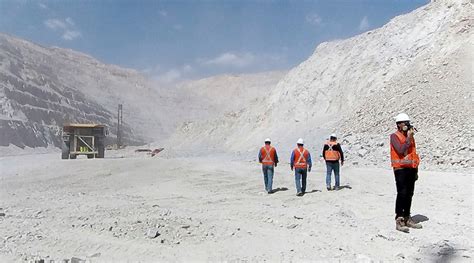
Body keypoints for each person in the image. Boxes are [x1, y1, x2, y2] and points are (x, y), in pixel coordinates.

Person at [390, 113, 422, 233]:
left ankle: (407, 217)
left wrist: (416, 170)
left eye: (407, 122)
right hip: (400, 169)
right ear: (398, 124)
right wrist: (409, 138)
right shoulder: (394, 136)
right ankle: (399, 219)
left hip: (411, 168)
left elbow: (413, 153)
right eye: (404, 122)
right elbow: (400, 149)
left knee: (409, 194)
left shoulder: (410, 136)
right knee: (402, 193)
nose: (407, 125)